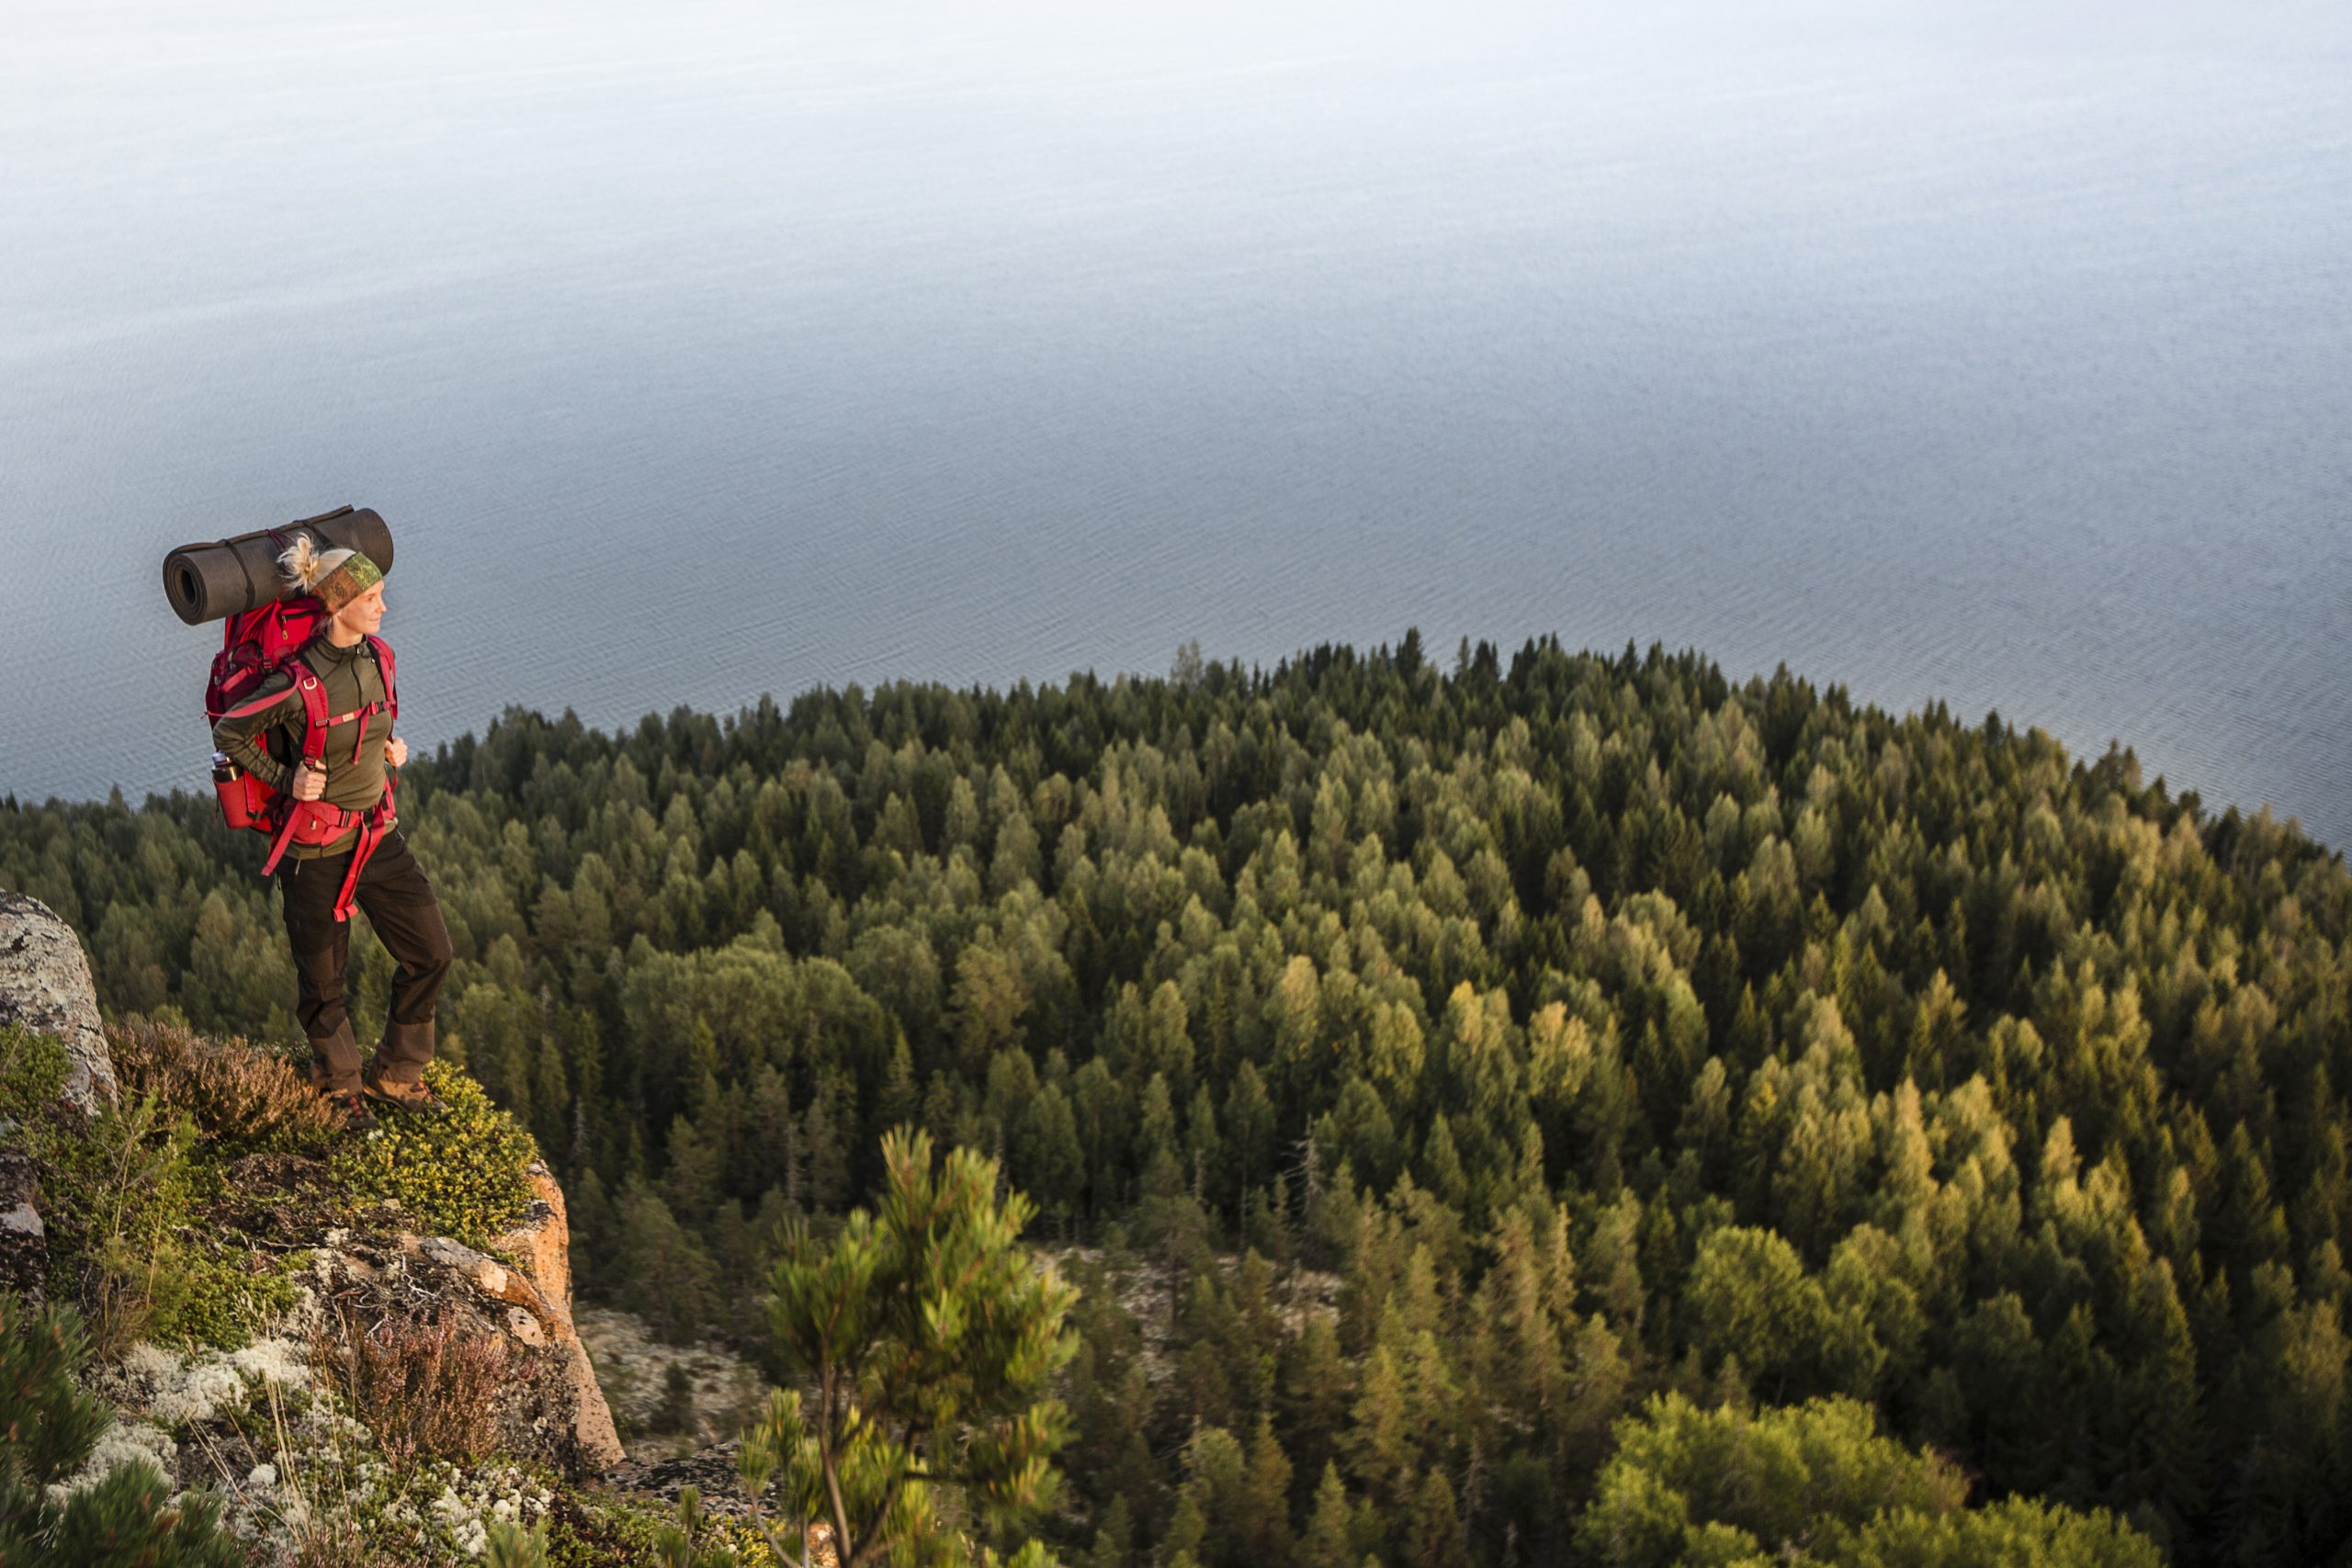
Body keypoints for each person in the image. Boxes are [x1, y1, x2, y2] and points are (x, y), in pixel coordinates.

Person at [210, 536, 452, 1130]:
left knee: (432, 952)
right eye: (371, 596)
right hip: (313, 851)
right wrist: (286, 779)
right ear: (337, 604)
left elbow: (374, 720)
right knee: (323, 983)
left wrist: (389, 748)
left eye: (381, 594)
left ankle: (397, 1071)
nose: (383, 606)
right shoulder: (298, 680)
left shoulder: (381, 658)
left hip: (376, 835)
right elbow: (230, 733)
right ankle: (339, 1091)